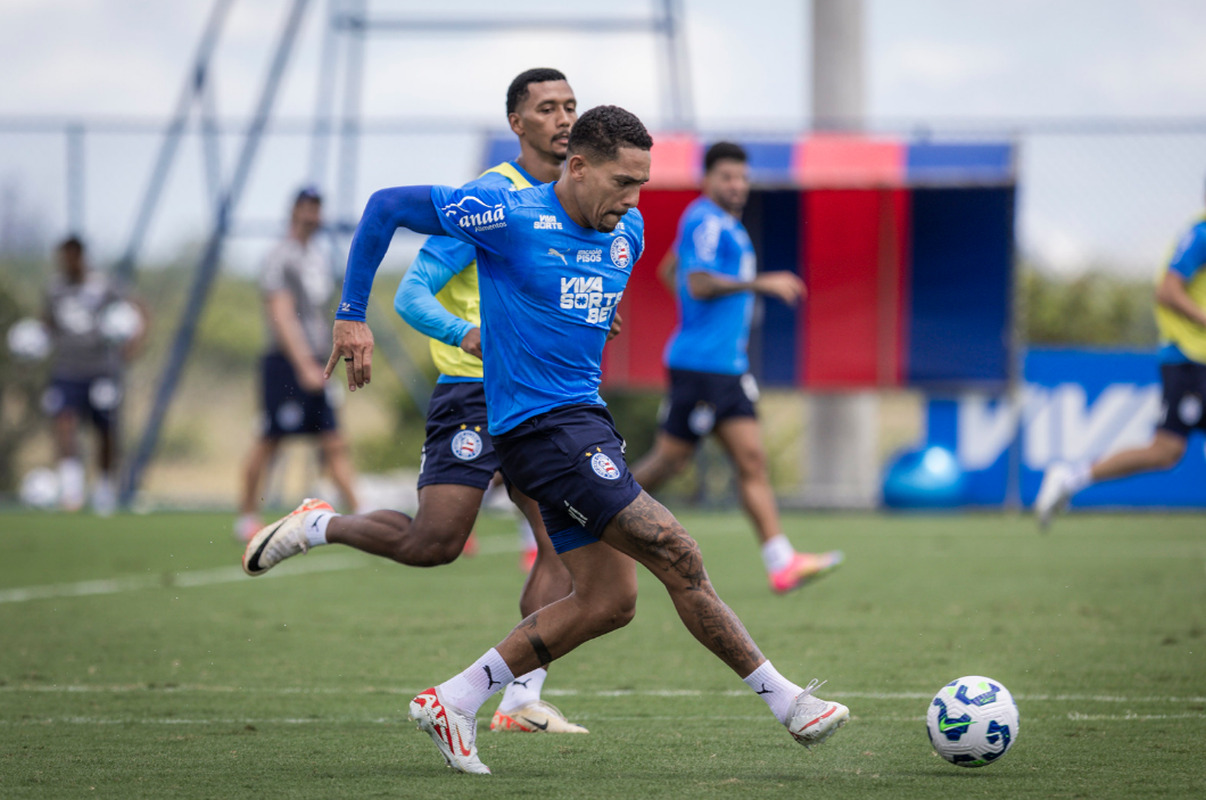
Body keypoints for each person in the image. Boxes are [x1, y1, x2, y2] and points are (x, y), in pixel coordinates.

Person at [325, 105, 849, 775]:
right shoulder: (507, 215)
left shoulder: (625, 232)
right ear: (576, 167)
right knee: (677, 550)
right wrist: (350, 317)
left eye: (642, 185)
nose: (633, 200)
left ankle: (453, 700)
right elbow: (384, 206)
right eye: (622, 182)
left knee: (610, 602)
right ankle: (789, 704)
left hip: (585, 422)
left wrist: (590, 309)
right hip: (540, 433)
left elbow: (580, 293)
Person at [242, 68, 587, 735]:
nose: (564, 117)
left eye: (571, 105)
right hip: (473, 394)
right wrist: (467, 333)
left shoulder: (572, 198)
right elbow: (412, 294)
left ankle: (519, 701)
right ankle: (321, 523)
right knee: (435, 543)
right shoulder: (491, 199)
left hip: (537, 396)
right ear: (517, 124)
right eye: (547, 108)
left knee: (563, 545)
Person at [630, 142, 844, 594]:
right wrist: (758, 283)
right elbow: (698, 281)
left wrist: (698, 318)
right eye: (728, 176)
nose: (737, 185)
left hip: (726, 366)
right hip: (702, 367)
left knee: (751, 460)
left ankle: (781, 562)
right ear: (708, 179)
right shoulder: (705, 219)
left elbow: (671, 269)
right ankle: (596, 514)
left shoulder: (723, 224)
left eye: (743, 178)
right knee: (671, 460)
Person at [1036, 189, 1206, 527]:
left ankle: (1069, 478)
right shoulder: (1201, 234)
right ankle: (1070, 478)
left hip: (1195, 360)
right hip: (1190, 359)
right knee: (1165, 450)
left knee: (1166, 451)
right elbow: (1167, 290)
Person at [236, 188, 359, 539]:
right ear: (294, 212)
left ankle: (360, 512)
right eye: (308, 210)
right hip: (286, 362)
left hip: (318, 358)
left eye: (318, 210)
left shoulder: (317, 257)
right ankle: (246, 516)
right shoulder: (281, 256)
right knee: (269, 439)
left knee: (334, 440)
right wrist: (304, 363)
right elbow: (282, 314)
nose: (314, 217)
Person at [42, 235, 147, 515]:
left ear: (81, 256)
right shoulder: (55, 289)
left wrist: (132, 348)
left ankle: (103, 488)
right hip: (66, 369)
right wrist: (36, 343)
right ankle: (72, 489)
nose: (67, 263)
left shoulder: (104, 285)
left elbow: (138, 310)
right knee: (64, 423)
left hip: (102, 371)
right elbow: (47, 322)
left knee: (106, 430)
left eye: (71, 256)